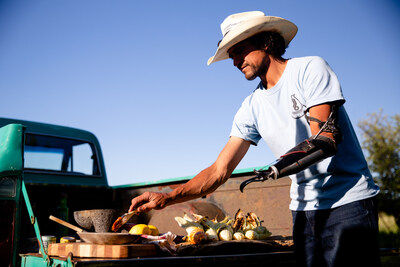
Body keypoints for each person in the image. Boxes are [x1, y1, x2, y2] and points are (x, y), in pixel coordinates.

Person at [129, 11, 380, 267]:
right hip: (303, 210)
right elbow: (219, 171)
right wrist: (167, 197)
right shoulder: (251, 106)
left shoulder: (309, 69)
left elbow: (325, 140)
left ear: (266, 42)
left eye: (240, 50)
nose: (235, 61)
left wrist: (274, 169)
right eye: (231, 55)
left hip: (347, 203)